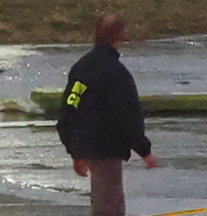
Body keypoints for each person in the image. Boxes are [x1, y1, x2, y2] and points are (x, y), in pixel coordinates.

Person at [56, 14, 157, 216]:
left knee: (101, 205)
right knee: (110, 207)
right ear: (120, 36)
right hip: (107, 150)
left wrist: (75, 150)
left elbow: (70, 108)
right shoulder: (116, 72)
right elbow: (128, 113)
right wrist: (144, 150)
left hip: (87, 147)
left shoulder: (81, 68)